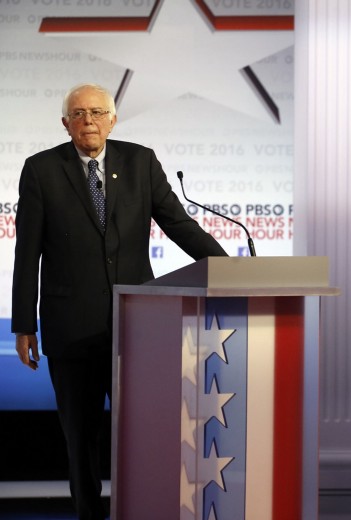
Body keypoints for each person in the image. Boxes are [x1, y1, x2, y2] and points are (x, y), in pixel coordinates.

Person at [12, 83, 227, 520]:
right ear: (65, 123)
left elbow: (178, 224)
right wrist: (23, 324)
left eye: (96, 112)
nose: (88, 120)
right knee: (81, 436)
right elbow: (26, 252)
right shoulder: (41, 169)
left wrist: (227, 266)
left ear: (113, 119)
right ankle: (89, 515)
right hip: (71, 328)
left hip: (138, 325)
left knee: (142, 431)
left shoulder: (140, 161)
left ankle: (141, 510)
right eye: (78, 113)